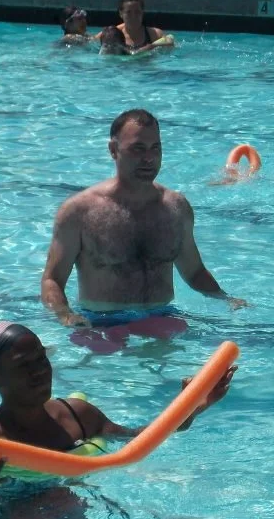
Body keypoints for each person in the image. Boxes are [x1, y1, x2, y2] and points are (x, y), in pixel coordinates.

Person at [0, 322, 235, 497]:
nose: (39, 372)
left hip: (80, 503)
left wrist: (193, 407)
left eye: (41, 359)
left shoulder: (77, 415)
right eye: (24, 365)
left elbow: (140, 440)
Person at [41, 109, 245, 351]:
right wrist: (66, 316)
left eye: (155, 148)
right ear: (113, 150)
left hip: (163, 317)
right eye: (138, 149)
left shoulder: (176, 208)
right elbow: (52, 279)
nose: (148, 158)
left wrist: (225, 299)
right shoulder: (78, 212)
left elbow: (194, 272)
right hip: (100, 323)